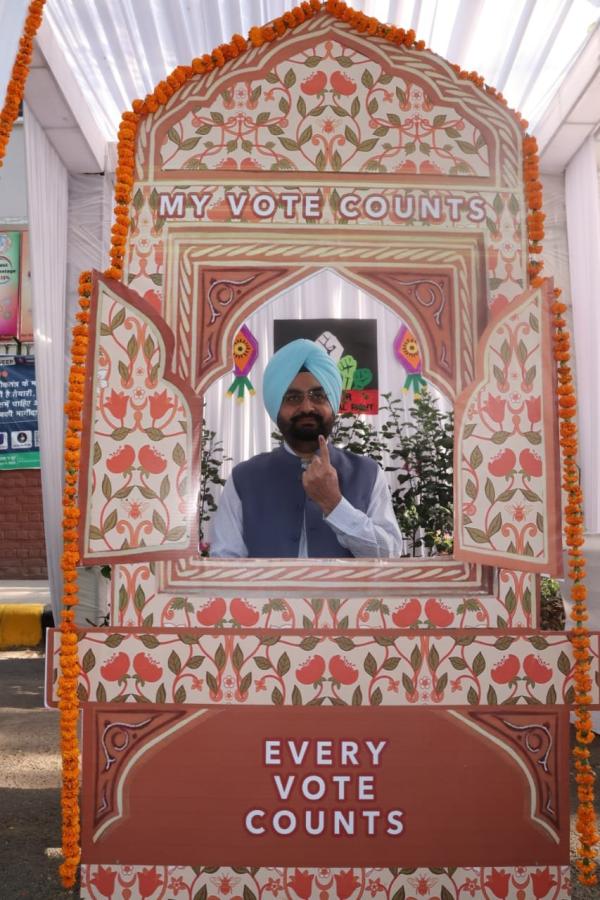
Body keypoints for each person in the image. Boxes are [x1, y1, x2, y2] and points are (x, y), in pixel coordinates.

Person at [209, 338, 402, 558]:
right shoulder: (244, 478)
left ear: (332, 404)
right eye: (293, 397)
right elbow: (225, 561)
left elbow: (389, 556)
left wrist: (335, 504)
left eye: (318, 396)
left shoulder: (367, 473)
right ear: (276, 407)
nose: (307, 407)